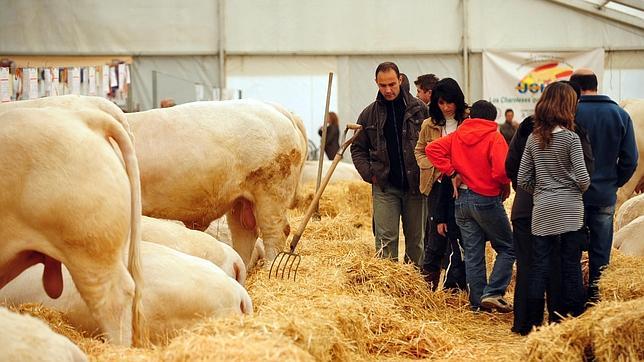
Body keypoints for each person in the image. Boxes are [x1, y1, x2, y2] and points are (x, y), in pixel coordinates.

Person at [507, 81, 594, 335]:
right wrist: (567, 190)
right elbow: (584, 177)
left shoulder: (530, 134)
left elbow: (519, 175)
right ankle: (570, 322)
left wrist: (543, 191)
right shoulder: (572, 136)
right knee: (568, 267)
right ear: (568, 106)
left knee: (533, 267)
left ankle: (528, 326)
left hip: (537, 210)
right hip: (568, 212)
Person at [426, 100, 515, 312]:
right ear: (493, 118)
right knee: (508, 247)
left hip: (461, 200)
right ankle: (493, 292)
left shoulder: (457, 135)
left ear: (471, 116)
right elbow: (502, 172)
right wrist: (504, 186)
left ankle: (478, 303)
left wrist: (452, 172)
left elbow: (431, 149)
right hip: (486, 198)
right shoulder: (495, 137)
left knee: (473, 253)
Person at [569, 68, 638, 303]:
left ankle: (573, 299)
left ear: (575, 87)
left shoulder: (570, 113)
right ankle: (596, 299)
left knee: (571, 250)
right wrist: (614, 182)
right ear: (595, 85)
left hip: (574, 196)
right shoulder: (619, 114)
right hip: (604, 195)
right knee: (600, 251)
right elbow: (630, 158)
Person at [351, 62, 429, 266]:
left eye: (392, 84)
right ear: (376, 84)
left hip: (416, 186)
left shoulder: (421, 110)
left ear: (400, 80)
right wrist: (370, 174)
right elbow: (357, 148)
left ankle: (414, 286)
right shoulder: (368, 114)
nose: (388, 90)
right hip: (385, 186)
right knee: (385, 240)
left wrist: (429, 171)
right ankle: (388, 287)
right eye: (382, 85)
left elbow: (435, 143)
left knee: (416, 241)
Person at [414, 78, 467, 291]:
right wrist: (434, 169)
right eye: (441, 103)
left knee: (460, 236)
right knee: (436, 236)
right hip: (438, 185)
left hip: (463, 185)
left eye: (450, 103)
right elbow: (419, 150)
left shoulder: (468, 122)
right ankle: (427, 287)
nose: (445, 108)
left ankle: (456, 287)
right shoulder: (429, 124)